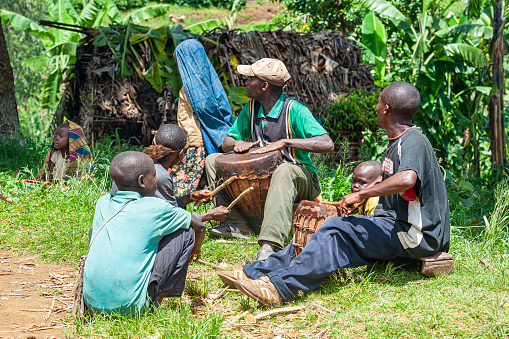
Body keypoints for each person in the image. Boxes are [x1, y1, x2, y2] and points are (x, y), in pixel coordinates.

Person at [217, 81, 451, 306]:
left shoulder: (413, 140)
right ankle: (254, 272)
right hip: (396, 227)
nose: (376, 107)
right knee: (323, 227)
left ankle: (280, 288)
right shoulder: (397, 142)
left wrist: (361, 195)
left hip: (417, 235)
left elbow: (407, 178)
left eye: (379, 102)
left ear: (387, 109)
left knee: (335, 229)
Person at [205, 58, 334, 261]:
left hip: (300, 176)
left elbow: (327, 143)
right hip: (265, 176)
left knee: (285, 170)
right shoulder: (252, 108)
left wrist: (286, 142)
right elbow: (227, 141)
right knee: (213, 159)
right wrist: (237, 144)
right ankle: (237, 224)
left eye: (250, 79)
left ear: (264, 85)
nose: (245, 82)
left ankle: (269, 243)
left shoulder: (296, 111)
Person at [83, 151, 227, 315]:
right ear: (142, 181)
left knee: (95, 231)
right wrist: (196, 249)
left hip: (93, 304)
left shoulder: (102, 202)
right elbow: (199, 226)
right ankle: (154, 302)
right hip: (132, 308)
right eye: (153, 176)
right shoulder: (156, 207)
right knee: (185, 231)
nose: (157, 180)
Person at [111, 125, 227, 225]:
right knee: (187, 234)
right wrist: (209, 216)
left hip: (118, 224)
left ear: (153, 142)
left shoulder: (130, 163)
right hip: (139, 230)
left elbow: (163, 207)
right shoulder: (159, 175)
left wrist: (191, 197)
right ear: (181, 154)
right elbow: (172, 220)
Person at [170, 39, 234, 198]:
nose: (178, 68)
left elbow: (204, 108)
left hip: (194, 143)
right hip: (198, 142)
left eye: (179, 62)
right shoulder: (210, 80)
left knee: (180, 187)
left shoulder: (192, 87)